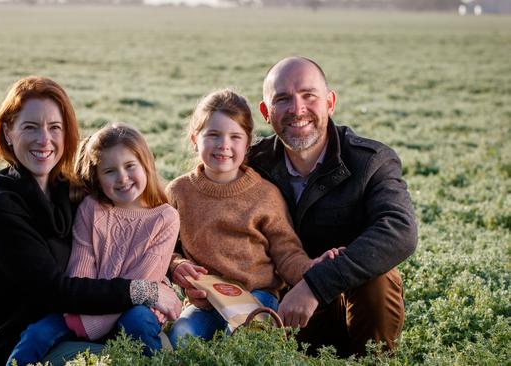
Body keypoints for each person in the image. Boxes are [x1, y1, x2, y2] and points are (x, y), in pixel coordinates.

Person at [0, 77, 181, 365]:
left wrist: (177, 265)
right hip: (24, 336)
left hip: (85, 322)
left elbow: (140, 234)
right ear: (8, 132)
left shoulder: (71, 190)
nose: (44, 139)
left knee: (152, 339)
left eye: (54, 128)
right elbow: (54, 290)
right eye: (30, 127)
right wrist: (146, 290)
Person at [246, 57, 417, 357]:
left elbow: (400, 231)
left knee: (380, 280)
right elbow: (198, 201)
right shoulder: (251, 164)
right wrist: (181, 268)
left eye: (309, 96)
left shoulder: (371, 161)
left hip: (352, 308)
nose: (297, 109)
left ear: (330, 102)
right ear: (266, 113)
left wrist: (314, 286)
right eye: (283, 99)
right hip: (277, 311)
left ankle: (372, 361)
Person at [166, 89, 341, 348]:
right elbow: (164, 249)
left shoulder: (265, 194)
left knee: (240, 340)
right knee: (180, 337)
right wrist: (177, 266)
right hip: (204, 300)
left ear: (247, 144)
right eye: (213, 135)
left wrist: (310, 269)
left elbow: (286, 251)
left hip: (257, 296)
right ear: (195, 139)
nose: (223, 145)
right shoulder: (179, 192)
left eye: (234, 137)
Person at [6, 123, 180, 364]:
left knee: (138, 321)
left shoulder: (165, 217)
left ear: (146, 164)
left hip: (131, 309)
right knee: (36, 334)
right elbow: (80, 273)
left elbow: (144, 282)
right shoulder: (92, 209)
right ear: (97, 177)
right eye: (109, 171)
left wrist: (90, 325)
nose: (122, 178)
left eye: (130, 166)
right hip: (88, 309)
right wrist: (87, 318)